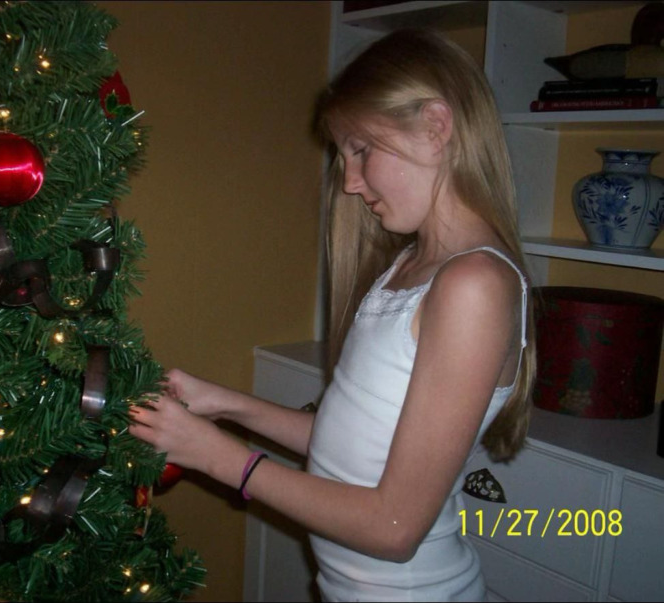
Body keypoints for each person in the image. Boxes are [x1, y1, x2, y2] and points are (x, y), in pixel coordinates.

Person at [129, 28, 536, 602]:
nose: (348, 182)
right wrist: (225, 405)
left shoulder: (474, 285)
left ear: (435, 127)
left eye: (361, 150)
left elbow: (394, 529)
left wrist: (219, 458)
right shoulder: (408, 267)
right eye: (344, 157)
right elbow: (353, 445)